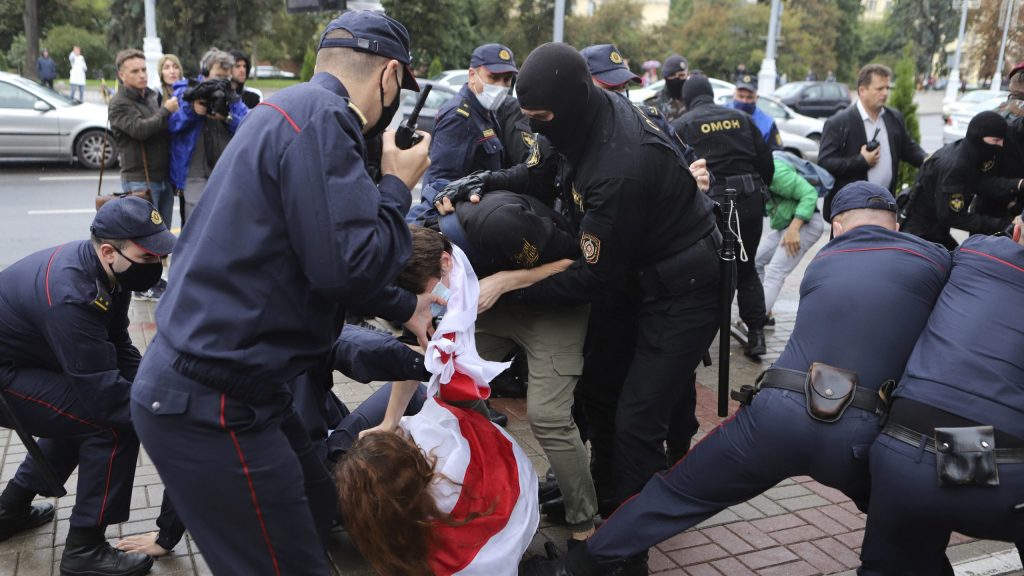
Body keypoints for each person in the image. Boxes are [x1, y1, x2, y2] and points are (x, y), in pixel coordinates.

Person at [129, 10, 433, 575]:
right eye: (401, 88)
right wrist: (396, 185)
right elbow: (352, 268)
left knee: (318, 507)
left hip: (230, 387)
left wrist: (407, 306)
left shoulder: (292, 109)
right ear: (390, 75)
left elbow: (315, 256)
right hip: (213, 402)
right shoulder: (325, 120)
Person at [520, 182, 952, 576]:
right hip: (863, 433)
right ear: (896, 224)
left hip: (777, 412)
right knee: (909, 525)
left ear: (836, 227)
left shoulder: (826, 261)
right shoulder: (934, 259)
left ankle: (574, 569)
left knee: (674, 496)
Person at [441, 44, 722, 528]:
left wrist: (510, 286)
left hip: (684, 288)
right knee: (597, 387)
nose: (533, 125)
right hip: (636, 273)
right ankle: (606, 487)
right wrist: (482, 180)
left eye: (540, 116)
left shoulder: (621, 165)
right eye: (527, 116)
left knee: (638, 419)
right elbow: (541, 169)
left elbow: (593, 277)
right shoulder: (578, 119)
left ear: (569, 104)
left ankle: (625, 548)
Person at [0, 196, 177, 576]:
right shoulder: (74, 294)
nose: (157, 267)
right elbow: (103, 395)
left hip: (26, 360)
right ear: (110, 251)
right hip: (7, 372)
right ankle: (85, 548)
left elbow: (118, 346)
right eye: (149, 257)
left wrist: (155, 385)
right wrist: (159, 411)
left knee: (77, 413)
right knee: (112, 423)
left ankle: (8, 510)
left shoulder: (110, 272)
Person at [857, 215, 1024, 575]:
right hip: (985, 462)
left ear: (1018, 229)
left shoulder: (975, 251)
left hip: (901, 451)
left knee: (896, 562)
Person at [673, 74, 775, 358]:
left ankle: (701, 341)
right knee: (746, 267)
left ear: (687, 98)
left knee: (708, 271)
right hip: (749, 199)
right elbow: (767, 163)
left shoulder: (683, 124)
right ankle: (756, 335)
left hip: (711, 203)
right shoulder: (741, 119)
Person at [579, 43, 708, 186]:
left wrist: (697, 178)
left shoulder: (651, 120)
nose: (619, 95)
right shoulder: (566, 132)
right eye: (611, 88)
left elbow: (691, 162)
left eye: (624, 87)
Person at [108, 48, 179, 304]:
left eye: (143, 70)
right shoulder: (118, 103)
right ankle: (140, 286)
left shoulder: (151, 96)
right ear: (121, 74)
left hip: (163, 176)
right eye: (135, 71)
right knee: (140, 237)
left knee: (159, 234)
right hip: (139, 178)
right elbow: (140, 129)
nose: (141, 75)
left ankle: (155, 281)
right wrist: (166, 111)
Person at [819, 63, 926, 221]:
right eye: (879, 89)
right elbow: (825, 163)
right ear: (862, 90)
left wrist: (930, 160)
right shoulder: (839, 123)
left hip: (884, 208)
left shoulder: (894, 117)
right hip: (849, 211)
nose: (885, 93)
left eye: (887, 88)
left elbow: (909, 149)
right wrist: (861, 161)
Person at [901, 111, 1021, 249]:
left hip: (936, 229)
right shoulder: (956, 166)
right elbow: (951, 216)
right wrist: (1001, 225)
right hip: (921, 234)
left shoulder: (971, 153)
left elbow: (981, 183)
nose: (1000, 145)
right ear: (978, 137)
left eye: (1002, 140)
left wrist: (1017, 185)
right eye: (995, 140)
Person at [167, 48, 249, 224]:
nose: (221, 81)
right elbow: (171, 125)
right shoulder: (186, 93)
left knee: (223, 223)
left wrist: (227, 117)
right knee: (195, 224)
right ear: (205, 72)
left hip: (224, 171)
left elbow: (248, 126)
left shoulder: (232, 97)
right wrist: (192, 110)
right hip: (194, 171)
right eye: (217, 75)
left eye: (226, 77)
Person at [421, 43, 518, 192]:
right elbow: (440, 185)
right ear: (473, 75)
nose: (501, 86)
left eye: (507, 79)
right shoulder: (458, 117)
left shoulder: (486, 110)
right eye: (493, 77)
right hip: (464, 212)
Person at [755, 152, 826, 318]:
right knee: (755, 262)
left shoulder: (775, 172)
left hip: (804, 224)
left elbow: (809, 194)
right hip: (785, 226)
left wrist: (794, 229)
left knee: (775, 271)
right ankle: (765, 310)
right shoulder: (754, 176)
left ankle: (755, 322)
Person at [727, 75, 783, 150]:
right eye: (741, 96)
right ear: (733, 95)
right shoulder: (719, 114)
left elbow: (777, 153)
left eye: (749, 97)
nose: (744, 101)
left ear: (757, 98)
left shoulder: (768, 123)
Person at [643, 54, 689, 123]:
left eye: (683, 75)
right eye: (677, 75)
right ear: (667, 77)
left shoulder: (693, 99)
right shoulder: (651, 104)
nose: (680, 79)